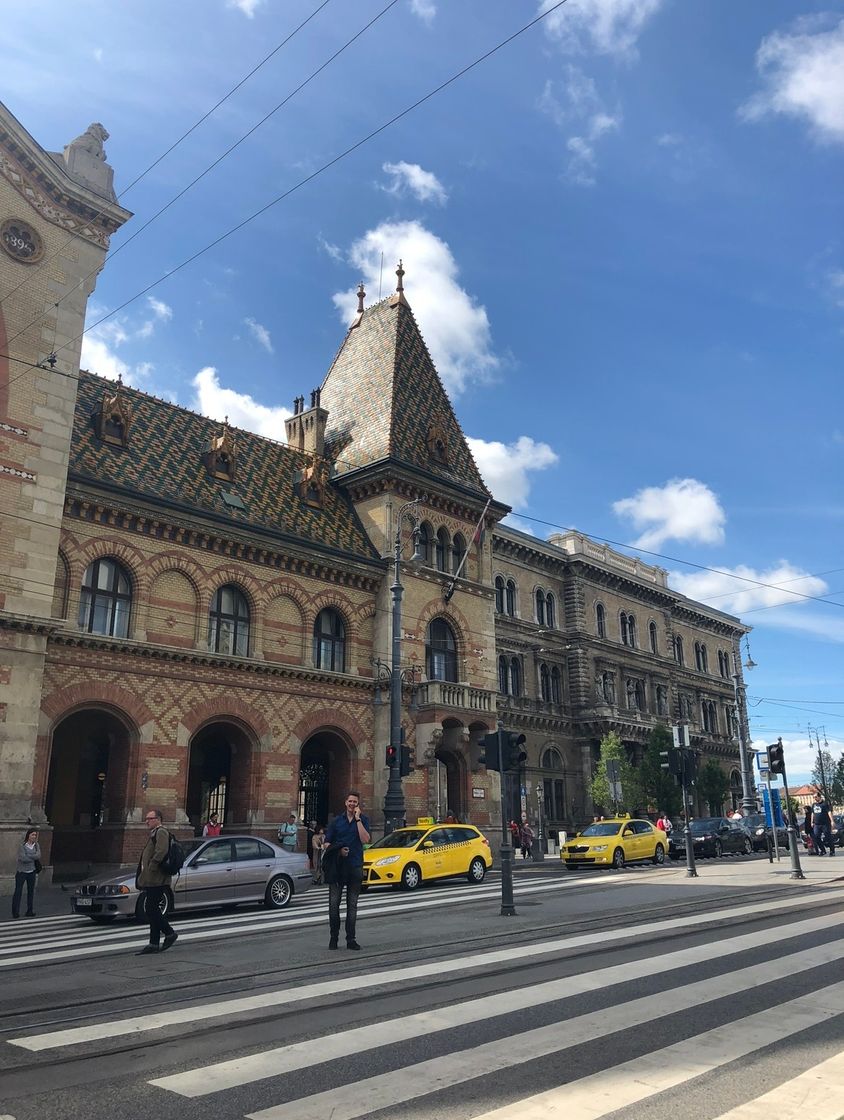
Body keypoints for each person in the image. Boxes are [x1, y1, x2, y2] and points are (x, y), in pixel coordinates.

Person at [323, 791, 370, 950]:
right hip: (338, 868)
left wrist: (358, 820)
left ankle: (351, 939)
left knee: (353, 905)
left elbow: (365, 839)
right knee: (334, 904)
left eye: (355, 802)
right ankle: (333, 937)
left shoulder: (363, 820)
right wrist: (338, 851)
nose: (352, 804)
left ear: (358, 805)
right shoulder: (336, 822)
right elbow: (327, 843)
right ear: (345, 803)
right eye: (350, 801)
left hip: (355, 866)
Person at [136, 808, 178, 955]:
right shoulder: (155, 833)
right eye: (146, 818)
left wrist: (151, 866)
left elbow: (161, 851)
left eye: (149, 818)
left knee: (151, 908)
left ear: (158, 819)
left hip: (157, 878)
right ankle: (153, 943)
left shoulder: (161, 832)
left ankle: (169, 932)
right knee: (152, 908)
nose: (146, 821)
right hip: (153, 878)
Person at [12, 827, 41, 919]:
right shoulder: (22, 845)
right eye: (32, 835)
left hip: (32, 871)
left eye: (35, 835)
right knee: (18, 892)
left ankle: (30, 910)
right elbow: (23, 858)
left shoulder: (36, 845)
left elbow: (38, 855)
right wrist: (33, 856)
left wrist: (29, 855)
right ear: (28, 835)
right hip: (22, 872)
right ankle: (15, 911)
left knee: (31, 891)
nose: (34, 837)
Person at [811, 791, 834, 857]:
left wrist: (832, 821)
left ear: (819, 797)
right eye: (814, 797)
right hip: (817, 824)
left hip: (825, 824)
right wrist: (812, 822)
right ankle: (823, 850)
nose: (815, 798)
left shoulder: (825, 804)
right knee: (816, 837)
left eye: (816, 797)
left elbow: (829, 812)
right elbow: (813, 814)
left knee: (828, 837)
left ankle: (832, 850)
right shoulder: (814, 805)